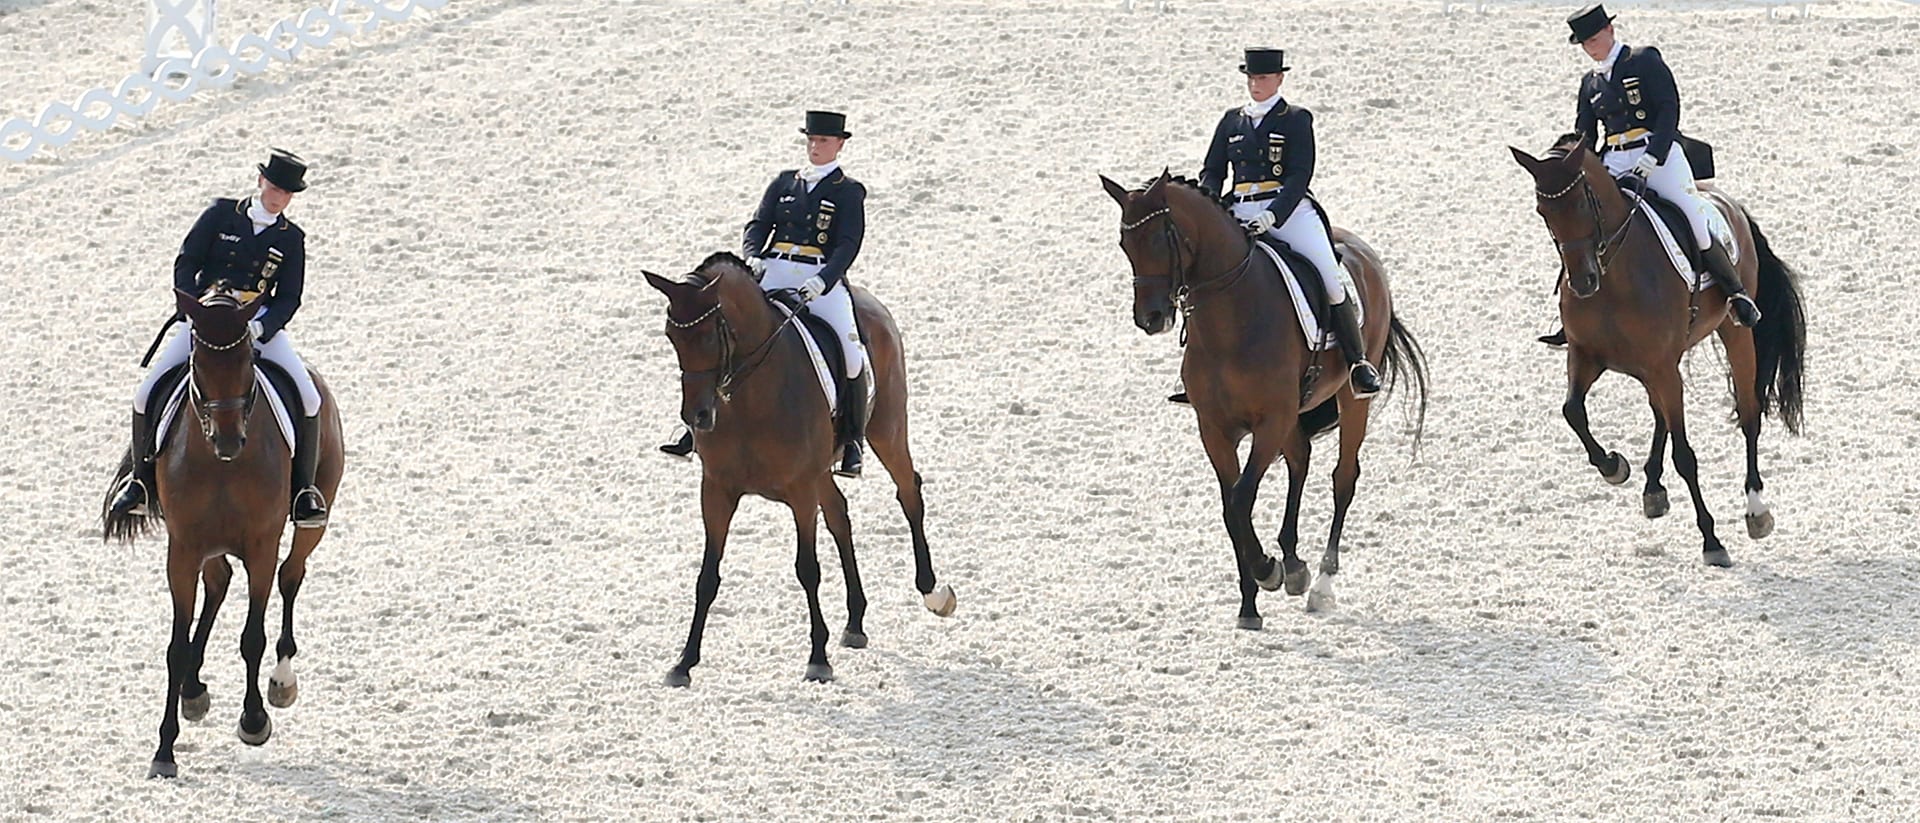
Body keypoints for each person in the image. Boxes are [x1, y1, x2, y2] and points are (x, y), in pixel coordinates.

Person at [107, 149, 329, 528]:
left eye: (285, 194)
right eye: (274, 188)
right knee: (146, 392)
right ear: (261, 182)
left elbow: (290, 296)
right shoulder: (220, 214)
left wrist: (263, 327)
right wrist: (193, 308)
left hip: (254, 321)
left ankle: (304, 491)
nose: (277, 198)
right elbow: (187, 261)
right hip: (208, 319)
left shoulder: (291, 239)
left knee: (309, 397)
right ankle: (140, 483)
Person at [661, 111, 872, 477]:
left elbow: (848, 243)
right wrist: (753, 256)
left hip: (820, 278)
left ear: (839, 144)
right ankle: (694, 429)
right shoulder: (784, 183)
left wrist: (824, 279)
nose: (815, 147)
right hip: (772, 270)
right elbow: (758, 225)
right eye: (811, 140)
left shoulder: (847, 191)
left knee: (853, 355)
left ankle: (852, 441)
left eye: (823, 141)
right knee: (724, 335)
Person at [1540, 4, 1760, 347]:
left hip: (1658, 154)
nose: (1592, 48)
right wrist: (1585, 168)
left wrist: (1654, 155)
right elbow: (1585, 131)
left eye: (1595, 39)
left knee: (1691, 213)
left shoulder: (1643, 61)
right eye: (1585, 44)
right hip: (1614, 159)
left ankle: (1736, 294)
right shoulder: (1591, 83)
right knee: (1585, 224)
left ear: (1611, 31)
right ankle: (1569, 311)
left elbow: (1668, 108)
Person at [1186, 46, 1380, 401]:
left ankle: (1357, 363)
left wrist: (1274, 214)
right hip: (1239, 208)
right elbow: (1212, 171)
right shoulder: (1232, 121)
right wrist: (1210, 207)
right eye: (1251, 78)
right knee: (1199, 274)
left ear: (1278, 78)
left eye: (1262, 78)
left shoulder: (1295, 118)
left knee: (1329, 275)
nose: (1255, 84)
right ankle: (1199, 367)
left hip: (1287, 211)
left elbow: (1299, 175)